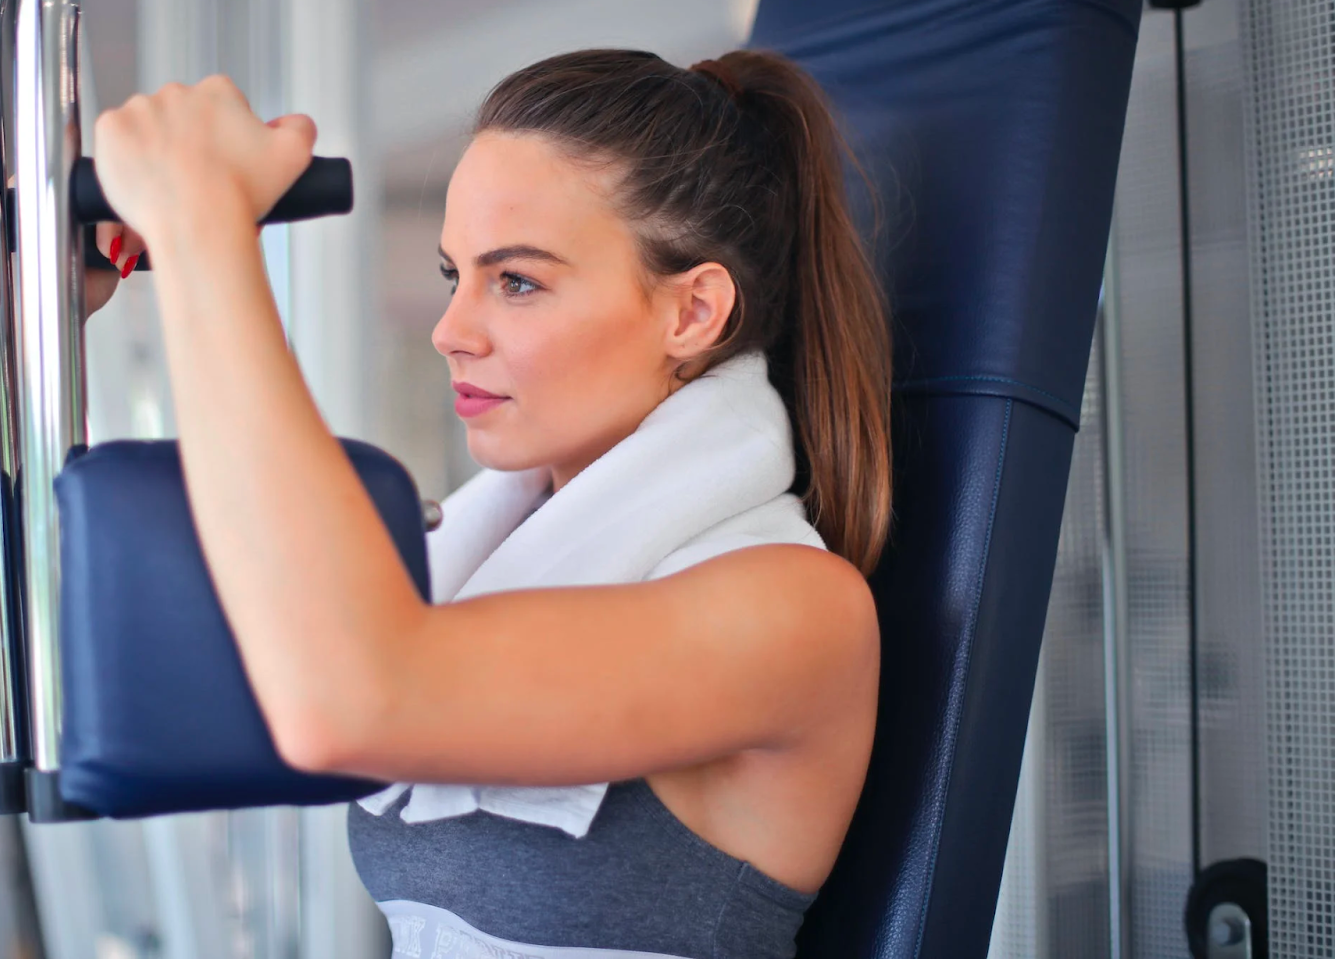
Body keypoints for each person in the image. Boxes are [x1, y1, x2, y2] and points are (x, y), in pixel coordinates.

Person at [88, 48, 890, 958]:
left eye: (516, 281)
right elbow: (151, 655)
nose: (450, 331)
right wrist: (53, 318)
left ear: (693, 313)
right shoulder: (468, 571)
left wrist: (205, 235)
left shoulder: (792, 612)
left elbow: (351, 702)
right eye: (453, 275)